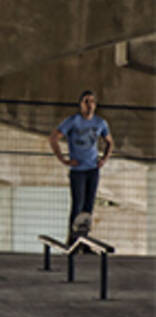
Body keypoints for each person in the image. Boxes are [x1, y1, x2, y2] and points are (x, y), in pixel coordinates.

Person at [49, 90, 112, 241]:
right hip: (78, 170)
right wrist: (63, 160)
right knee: (78, 205)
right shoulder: (73, 121)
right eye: (86, 101)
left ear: (95, 105)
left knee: (89, 206)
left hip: (93, 169)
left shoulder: (100, 123)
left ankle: (84, 239)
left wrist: (104, 159)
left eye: (91, 101)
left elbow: (110, 141)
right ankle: (72, 238)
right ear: (80, 105)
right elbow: (53, 138)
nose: (89, 105)